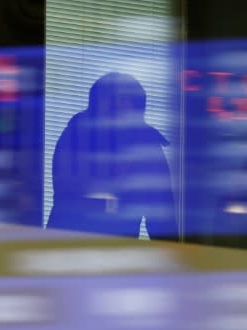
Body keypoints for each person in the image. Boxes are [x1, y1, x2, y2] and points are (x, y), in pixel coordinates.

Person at [47, 72, 178, 240]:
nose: (117, 106)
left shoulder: (147, 145)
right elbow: (67, 194)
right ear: (96, 104)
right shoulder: (75, 136)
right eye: (110, 100)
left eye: (124, 100)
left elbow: (161, 213)